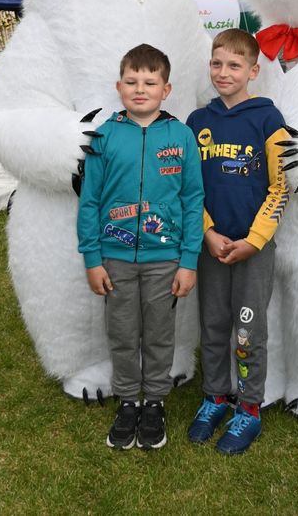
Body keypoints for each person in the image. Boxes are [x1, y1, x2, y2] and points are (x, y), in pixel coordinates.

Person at [77, 44, 204, 450]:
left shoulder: (181, 136)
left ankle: (155, 402)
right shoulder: (104, 136)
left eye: (150, 82)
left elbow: (193, 201)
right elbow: (90, 202)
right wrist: (92, 258)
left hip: (165, 260)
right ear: (118, 86)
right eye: (131, 81)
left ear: (166, 90)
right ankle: (128, 399)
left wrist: (188, 261)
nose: (140, 89)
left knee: (159, 334)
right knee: (122, 332)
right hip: (115, 259)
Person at [185, 28, 290, 455]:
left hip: (252, 250)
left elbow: (281, 188)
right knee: (212, 327)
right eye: (217, 63)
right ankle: (214, 398)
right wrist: (208, 233)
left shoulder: (269, 118)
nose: (223, 72)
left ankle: (248, 409)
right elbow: (190, 189)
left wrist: (255, 239)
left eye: (234, 65)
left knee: (248, 331)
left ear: (253, 70)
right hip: (211, 247)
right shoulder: (198, 122)